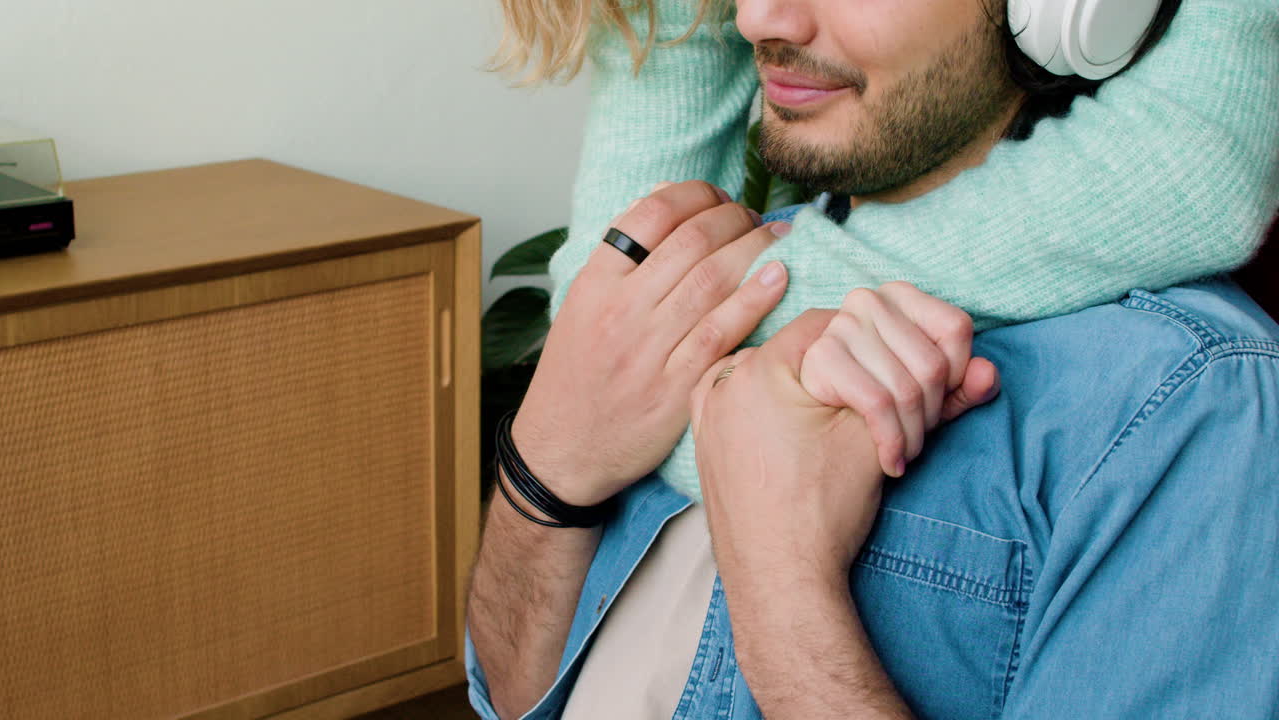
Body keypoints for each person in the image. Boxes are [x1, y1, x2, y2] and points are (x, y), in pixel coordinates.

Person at [467, 0, 1279, 717]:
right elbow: (509, 694)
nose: (757, 18)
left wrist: (783, 588)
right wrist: (547, 468)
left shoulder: (1186, 404)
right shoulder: (672, 313)